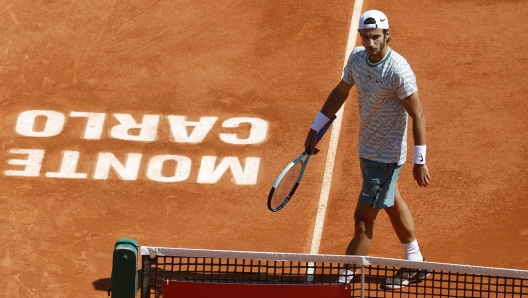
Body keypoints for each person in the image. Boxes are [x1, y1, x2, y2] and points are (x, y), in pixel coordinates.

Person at [304, 10, 431, 289]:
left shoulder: (398, 70)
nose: (370, 43)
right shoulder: (357, 59)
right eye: (365, 37)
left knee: (363, 220)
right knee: (393, 203)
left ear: (387, 35)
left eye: (375, 37)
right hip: (367, 149)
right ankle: (416, 262)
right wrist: (316, 129)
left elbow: (418, 115)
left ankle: (343, 280)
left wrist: (419, 160)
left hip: (385, 158)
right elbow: (340, 92)